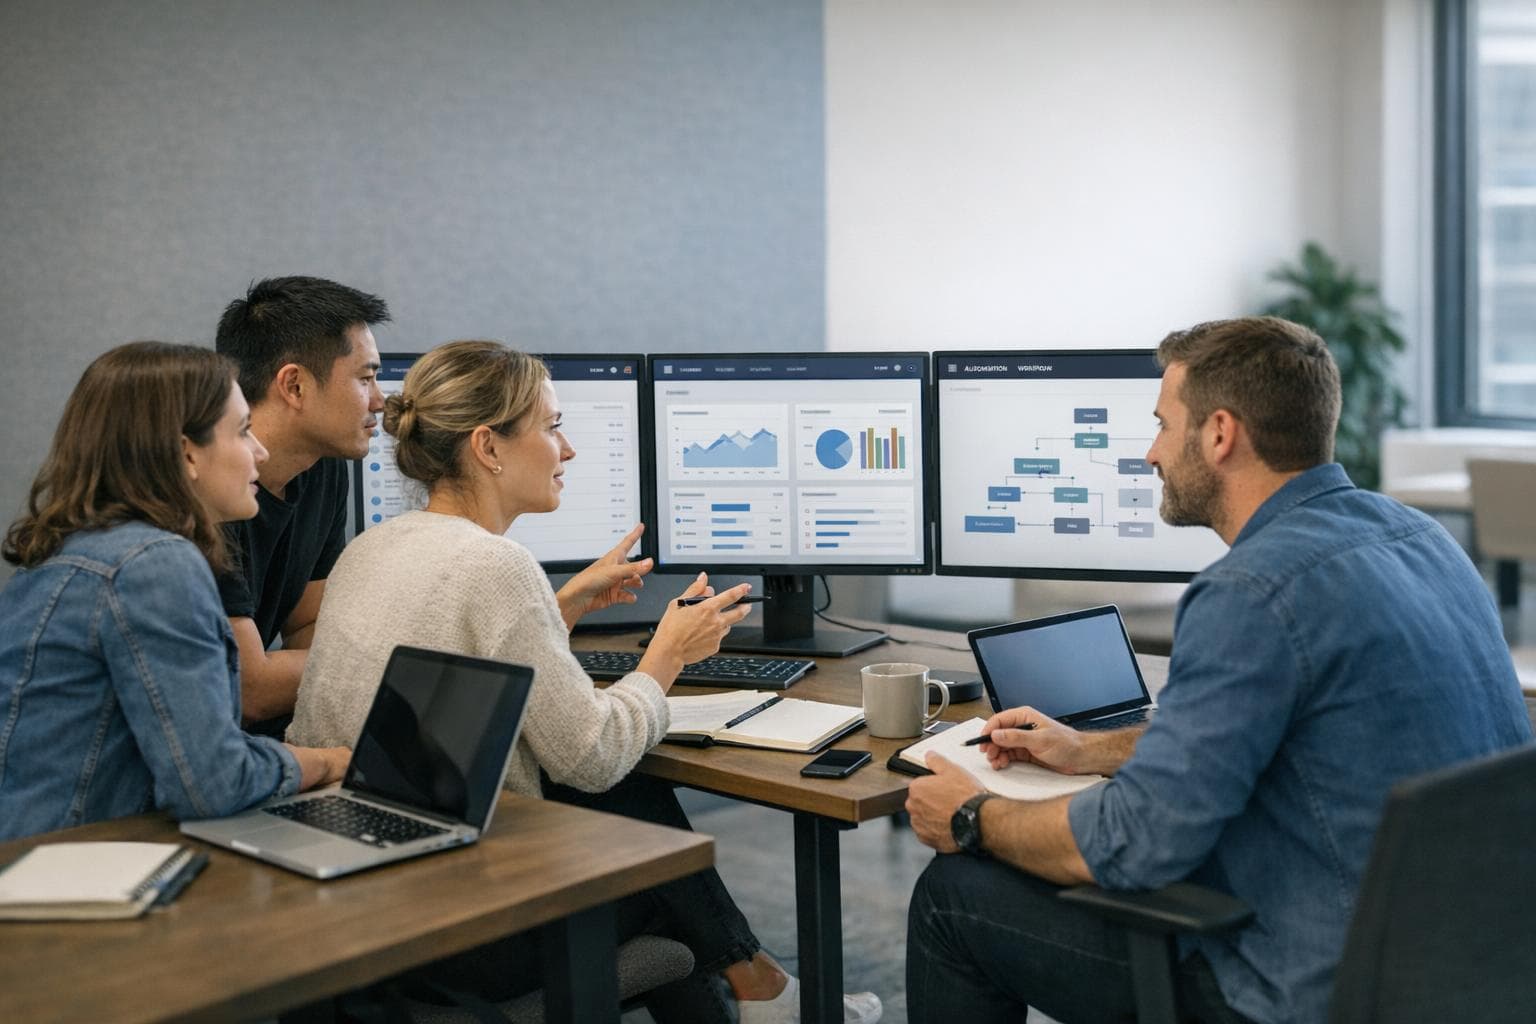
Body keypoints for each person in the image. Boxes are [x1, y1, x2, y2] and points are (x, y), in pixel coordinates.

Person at [902, 316, 1532, 1024]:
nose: (1150, 453)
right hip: (1469, 971)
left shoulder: (1251, 591)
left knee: (952, 896)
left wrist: (972, 816)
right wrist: (1086, 750)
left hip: (1308, 986)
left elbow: (1134, 845)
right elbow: (1267, 738)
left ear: (1220, 433)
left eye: (1163, 425)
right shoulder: (1421, 538)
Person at [288, 340, 881, 1024]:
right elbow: (589, 757)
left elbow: (454, 660)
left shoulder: (372, 547)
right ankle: (769, 994)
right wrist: (667, 656)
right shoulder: (497, 567)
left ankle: (762, 995)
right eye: (552, 427)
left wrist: (558, 605)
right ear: (488, 446)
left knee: (633, 818)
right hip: (461, 921)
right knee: (652, 845)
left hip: (366, 897)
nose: (566, 451)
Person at [0, 342, 351, 842]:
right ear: (187, 452)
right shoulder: (155, 564)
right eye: (243, 430)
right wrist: (329, 761)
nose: (261, 451)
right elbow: (214, 782)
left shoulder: (71, 549)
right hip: (75, 869)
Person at [213, 275, 390, 737]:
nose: (380, 401)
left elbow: (309, 622)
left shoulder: (321, 466)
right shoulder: (206, 490)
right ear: (293, 385)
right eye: (366, 378)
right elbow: (249, 689)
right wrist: (396, 666)